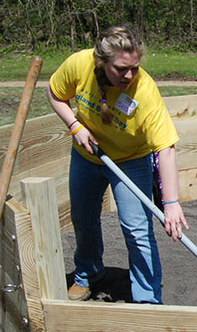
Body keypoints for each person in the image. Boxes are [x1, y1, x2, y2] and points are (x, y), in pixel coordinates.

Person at [47, 25, 187, 303]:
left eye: (134, 68)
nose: (129, 75)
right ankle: (88, 273)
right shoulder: (79, 64)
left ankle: (147, 297)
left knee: (137, 230)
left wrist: (171, 203)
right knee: (83, 220)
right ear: (102, 62)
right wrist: (75, 126)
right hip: (88, 156)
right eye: (121, 68)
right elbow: (55, 94)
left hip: (130, 161)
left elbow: (166, 149)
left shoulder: (144, 92)